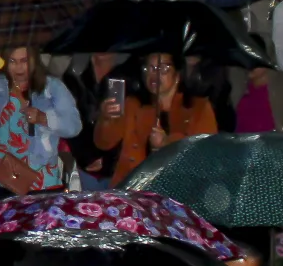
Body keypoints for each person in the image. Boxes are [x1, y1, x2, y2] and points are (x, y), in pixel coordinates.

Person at [0, 45, 79, 199]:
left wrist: (44, 118)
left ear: (34, 61)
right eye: (12, 61)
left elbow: (73, 126)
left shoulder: (52, 87)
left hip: (41, 181)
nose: (18, 67)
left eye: (24, 61)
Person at [91, 49, 218, 182]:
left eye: (163, 68)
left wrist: (166, 143)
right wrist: (106, 118)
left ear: (178, 73)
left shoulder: (199, 107)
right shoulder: (134, 104)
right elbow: (104, 143)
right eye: (149, 68)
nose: (154, 74)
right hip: (134, 188)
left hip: (179, 188)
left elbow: (205, 154)